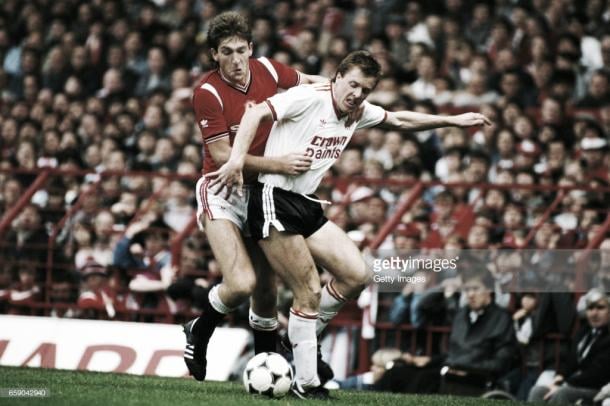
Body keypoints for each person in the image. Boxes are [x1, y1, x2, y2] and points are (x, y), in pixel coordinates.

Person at [209, 50, 491, 398]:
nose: (357, 93)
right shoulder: (309, 98)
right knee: (309, 290)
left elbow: (401, 120)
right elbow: (254, 114)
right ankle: (307, 382)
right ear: (338, 77)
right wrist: (237, 160)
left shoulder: (357, 112)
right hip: (272, 197)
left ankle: (297, 337)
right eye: (353, 84)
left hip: (306, 203)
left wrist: (452, 121)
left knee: (358, 275)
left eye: (365, 89)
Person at [184, 11, 326, 382]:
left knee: (266, 290)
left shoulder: (268, 69)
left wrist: (341, 91)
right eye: (226, 52)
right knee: (242, 283)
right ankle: (200, 329)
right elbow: (222, 159)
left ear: (251, 48)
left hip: (261, 191)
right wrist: (280, 164)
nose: (235, 60)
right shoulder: (207, 92)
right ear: (214, 54)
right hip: (221, 190)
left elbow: (311, 82)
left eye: (241, 50)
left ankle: (266, 369)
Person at [528, 288, 610, 404]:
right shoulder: (583, 333)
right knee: (538, 391)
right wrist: (561, 376)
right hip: (574, 383)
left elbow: (597, 373)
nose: (594, 313)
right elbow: (570, 362)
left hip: (597, 388)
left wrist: (566, 383)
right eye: (590, 308)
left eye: (600, 308)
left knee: (562, 393)